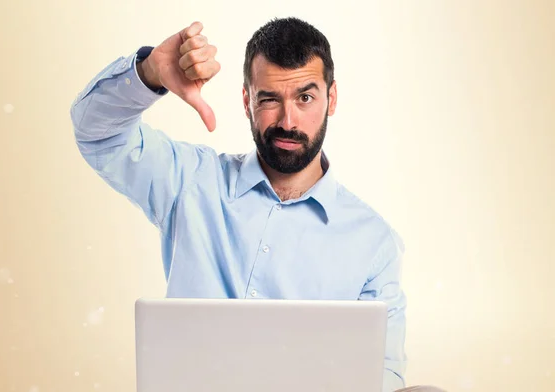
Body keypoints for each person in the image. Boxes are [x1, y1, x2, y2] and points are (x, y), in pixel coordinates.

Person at [70, 17, 445, 392]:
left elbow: (380, 375)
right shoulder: (189, 182)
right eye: (269, 99)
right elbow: (96, 133)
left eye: (305, 97)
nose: (288, 121)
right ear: (247, 100)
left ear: (331, 99)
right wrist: (149, 72)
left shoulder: (373, 244)